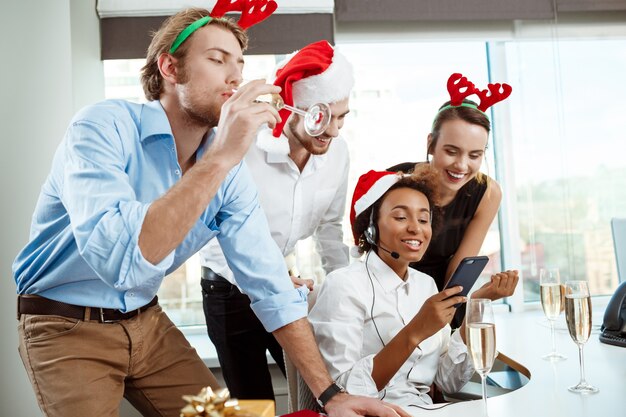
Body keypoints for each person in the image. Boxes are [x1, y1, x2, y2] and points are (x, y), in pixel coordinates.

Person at [12, 6, 409, 417]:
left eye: (239, 64)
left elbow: (271, 285)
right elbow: (123, 264)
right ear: (169, 67)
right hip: (63, 325)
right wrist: (220, 158)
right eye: (217, 60)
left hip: (147, 321)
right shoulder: (101, 127)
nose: (235, 77)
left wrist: (331, 396)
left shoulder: (228, 169)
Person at [199, 40, 353, 401]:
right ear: (291, 108)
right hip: (227, 290)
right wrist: (272, 276)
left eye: (343, 116)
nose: (333, 130)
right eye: (322, 118)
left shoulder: (338, 154)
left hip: (286, 289)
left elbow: (330, 230)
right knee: (254, 405)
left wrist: (347, 287)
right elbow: (211, 234)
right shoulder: (243, 146)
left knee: (316, 394)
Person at [308, 166, 518, 414]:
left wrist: (477, 305)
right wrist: (415, 331)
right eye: (400, 217)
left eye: (423, 219)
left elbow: (448, 381)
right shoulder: (343, 285)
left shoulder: (425, 285)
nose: (416, 228)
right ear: (371, 226)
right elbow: (343, 396)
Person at [388, 73, 518, 327]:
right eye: (451, 151)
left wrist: (470, 302)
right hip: (391, 299)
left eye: (474, 155)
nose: (461, 165)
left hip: (445, 300)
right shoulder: (396, 183)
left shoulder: (488, 193)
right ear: (431, 144)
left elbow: (458, 274)